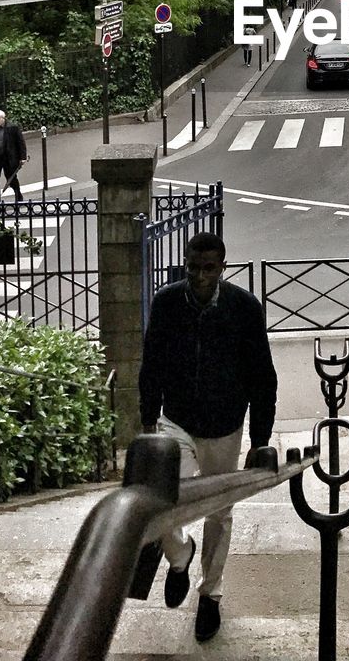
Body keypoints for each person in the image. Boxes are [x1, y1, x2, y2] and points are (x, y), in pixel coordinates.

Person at [139, 232, 278, 644]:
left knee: (220, 513)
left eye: (209, 268)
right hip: (176, 420)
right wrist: (148, 419)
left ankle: (210, 595)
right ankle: (180, 557)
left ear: (222, 267)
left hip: (225, 425)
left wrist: (260, 438)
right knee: (164, 500)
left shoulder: (244, 308)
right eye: (193, 267)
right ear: (185, 263)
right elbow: (152, 363)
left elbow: (262, 376)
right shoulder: (166, 303)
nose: (200, 276)